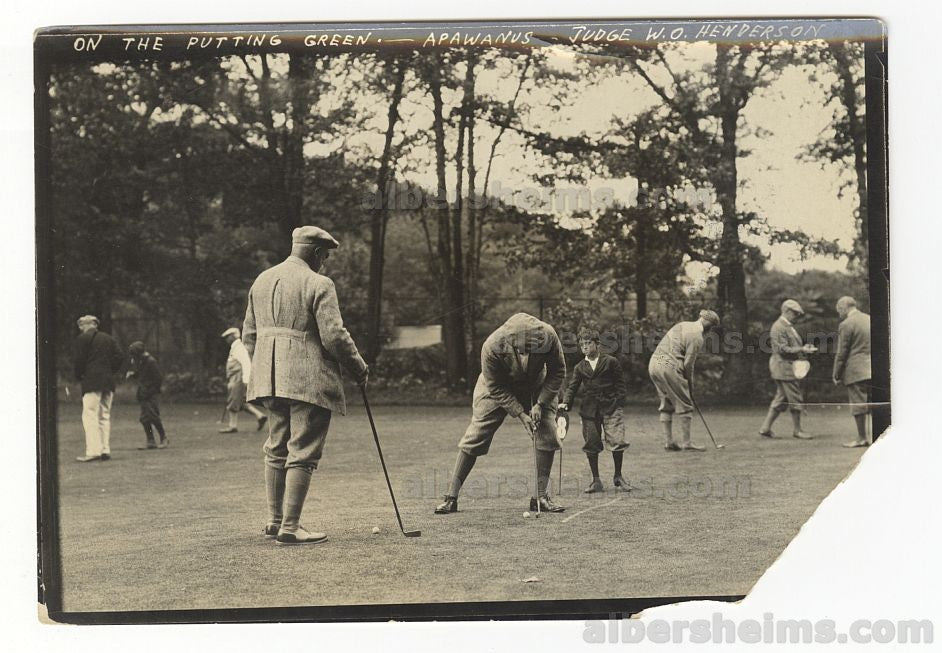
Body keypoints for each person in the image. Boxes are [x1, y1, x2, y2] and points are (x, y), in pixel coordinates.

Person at [243, 226, 369, 545]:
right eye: (324, 256)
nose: (324, 262)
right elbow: (334, 336)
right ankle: (291, 526)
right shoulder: (318, 283)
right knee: (303, 449)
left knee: (276, 445)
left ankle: (274, 521)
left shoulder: (262, 280)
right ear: (314, 253)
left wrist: (263, 367)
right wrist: (359, 367)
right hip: (307, 378)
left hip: (268, 377)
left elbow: (249, 335)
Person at [435, 313, 567, 515]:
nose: (533, 347)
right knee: (476, 436)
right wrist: (521, 414)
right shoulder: (492, 345)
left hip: (536, 386)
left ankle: (540, 497)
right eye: (527, 346)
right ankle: (451, 498)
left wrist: (540, 404)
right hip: (496, 387)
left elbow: (558, 371)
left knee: (547, 433)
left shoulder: (548, 335)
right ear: (512, 341)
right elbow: (495, 387)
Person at [558, 328, 631, 493]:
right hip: (589, 410)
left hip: (611, 407)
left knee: (617, 441)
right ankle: (596, 480)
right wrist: (565, 403)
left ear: (597, 344)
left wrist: (619, 403)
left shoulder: (610, 362)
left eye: (588, 343)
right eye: (582, 344)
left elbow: (621, 385)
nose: (584, 347)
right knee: (591, 443)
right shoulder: (579, 367)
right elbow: (572, 387)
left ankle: (618, 476)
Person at [648, 310, 720, 452]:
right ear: (708, 323)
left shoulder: (682, 325)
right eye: (711, 326)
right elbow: (688, 364)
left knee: (666, 403)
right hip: (670, 366)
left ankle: (669, 442)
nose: (710, 330)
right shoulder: (697, 337)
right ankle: (687, 443)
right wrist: (690, 386)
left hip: (654, 363)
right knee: (686, 404)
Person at [758, 299, 817, 440]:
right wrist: (802, 349)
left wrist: (802, 349)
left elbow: (788, 346)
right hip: (784, 367)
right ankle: (798, 430)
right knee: (794, 398)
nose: (797, 316)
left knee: (781, 398)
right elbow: (782, 349)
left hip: (785, 367)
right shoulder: (779, 326)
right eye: (795, 313)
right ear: (787, 311)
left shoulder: (787, 326)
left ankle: (765, 428)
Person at [72, 315, 125, 462]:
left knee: (90, 415)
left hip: (91, 381)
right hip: (108, 381)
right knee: (104, 416)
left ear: (86, 325)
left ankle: (93, 451)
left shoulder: (82, 339)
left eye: (81, 325)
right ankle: (104, 449)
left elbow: (79, 362)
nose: (80, 328)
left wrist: (80, 375)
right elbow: (120, 357)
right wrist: (109, 370)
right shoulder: (108, 338)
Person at [832, 296, 872, 447]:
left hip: (856, 370)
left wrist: (836, 373)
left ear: (843, 307)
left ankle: (862, 438)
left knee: (858, 404)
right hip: (873, 369)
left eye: (839, 311)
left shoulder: (846, 324)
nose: (839, 314)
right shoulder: (869, 319)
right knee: (873, 403)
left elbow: (842, 352)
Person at [219, 327, 267, 433]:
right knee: (241, 402)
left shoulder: (239, 348)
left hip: (238, 378)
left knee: (233, 401)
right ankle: (260, 416)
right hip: (235, 378)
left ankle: (232, 425)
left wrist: (246, 379)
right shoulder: (235, 347)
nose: (226, 339)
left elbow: (246, 363)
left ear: (233, 336)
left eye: (228, 337)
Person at [127, 341, 168, 450]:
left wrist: (151, 391)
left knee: (153, 416)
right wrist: (133, 374)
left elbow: (158, 378)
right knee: (144, 418)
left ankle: (163, 437)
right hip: (143, 393)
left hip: (150, 394)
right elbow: (142, 375)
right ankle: (151, 440)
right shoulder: (141, 361)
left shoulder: (150, 362)